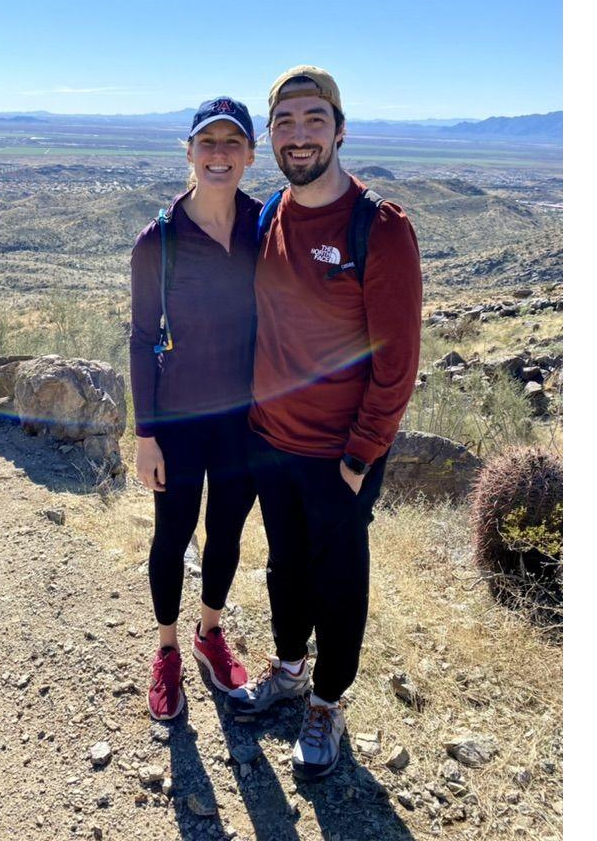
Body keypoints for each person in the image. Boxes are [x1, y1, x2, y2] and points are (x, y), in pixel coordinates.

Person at [227, 66, 423, 778]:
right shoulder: (272, 214)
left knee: (338, 580)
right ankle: (287, 667)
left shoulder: (380, 228)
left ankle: (327, 701)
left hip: (340, 454)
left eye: (314, 120)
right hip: (271, 443)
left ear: (340, 130)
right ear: (270, 137)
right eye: (285, 122)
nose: (299, 134)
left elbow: (396, 361)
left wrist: (359, 457)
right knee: (285, 567)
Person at [129, 97, 263, 721]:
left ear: (249, 156)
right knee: (172, 535)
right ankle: (167, 649)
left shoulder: (265, 228)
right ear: (188, 152)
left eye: (231, 143)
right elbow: (139, 337)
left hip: (244, 421)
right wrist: (145, 435)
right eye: (206, 143)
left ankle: (210, 632)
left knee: (228, 533)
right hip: (178, 424)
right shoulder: (158, 240)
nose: (218, 154)